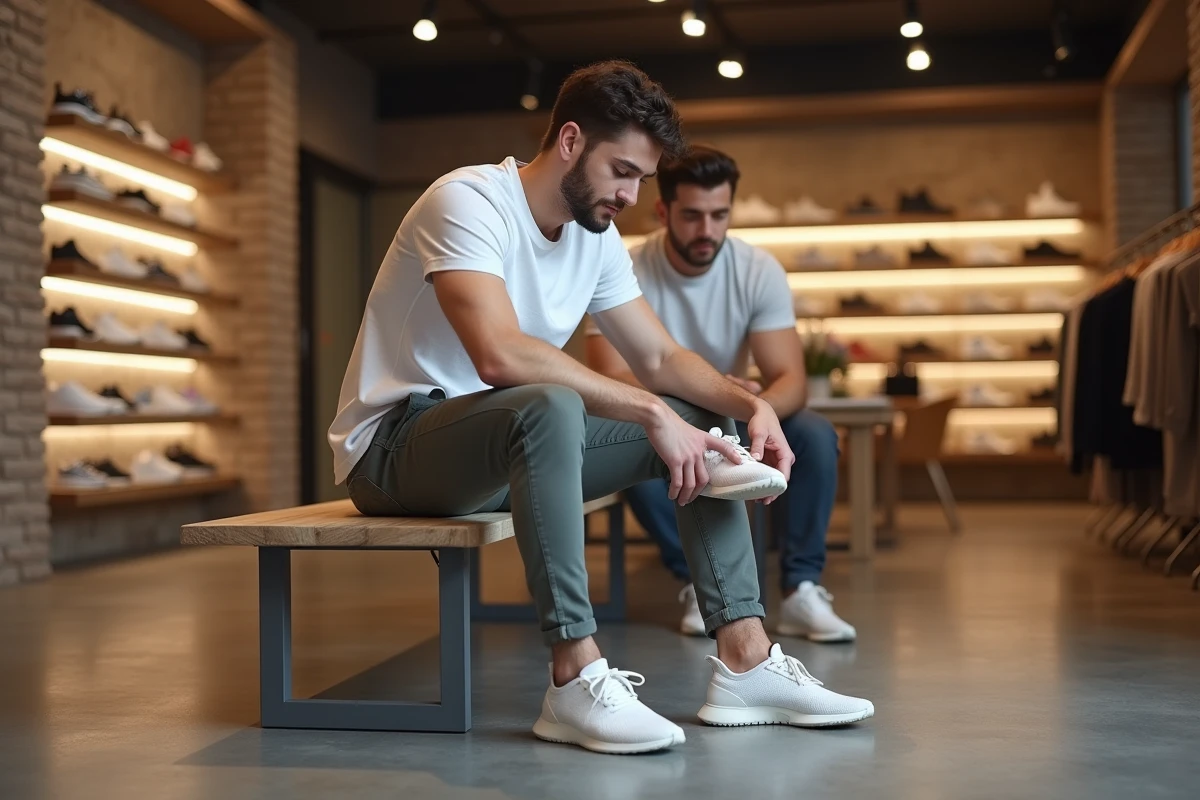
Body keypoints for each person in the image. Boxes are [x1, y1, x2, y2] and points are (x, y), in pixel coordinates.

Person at [330, 61, 873, 755]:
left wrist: (748, 404)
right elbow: (499, 354)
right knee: (552, 404)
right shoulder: (466, 201)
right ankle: (573, 678)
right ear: (570, 141)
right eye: (622, 170)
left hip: (510, 446)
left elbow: (660, 359)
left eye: (641, 179)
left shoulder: (596, 236)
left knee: (698, 419)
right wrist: (649, 414)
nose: (630, 193)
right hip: (396, 451)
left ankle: (747, 660)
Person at [587, 146, 856, 643]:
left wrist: (757, 409)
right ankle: (695, 580)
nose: (707, 230)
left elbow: (790, 378)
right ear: (663, 211)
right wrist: (720, 394)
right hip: (668, 414)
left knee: (815, 435)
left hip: (739, 410)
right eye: (691, 216)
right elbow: (613, 377)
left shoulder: (758, 270)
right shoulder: (619, 266)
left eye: (719, 215)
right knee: (635, 441)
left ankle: (800, 589)